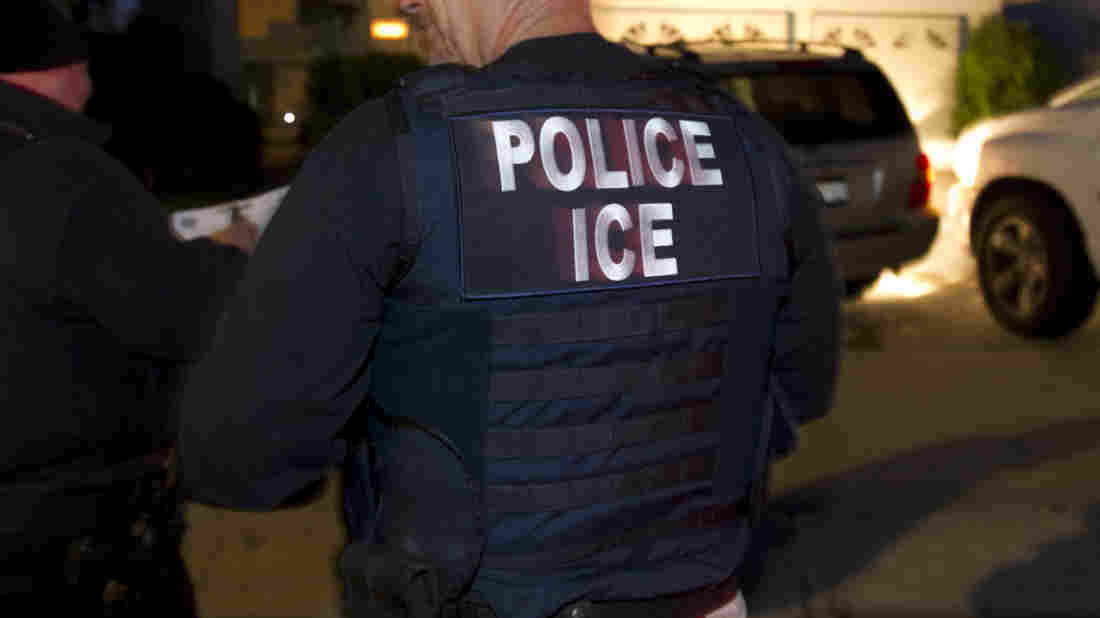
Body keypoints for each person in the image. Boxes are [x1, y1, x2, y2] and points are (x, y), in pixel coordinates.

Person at [177, 0, 842, 617]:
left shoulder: (394, 149)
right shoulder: (746, 142)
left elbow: (245, 457)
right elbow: (800, 390)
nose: (408, 4)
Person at [0, 1, 257, 612]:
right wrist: (233, 255)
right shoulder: (59, 170)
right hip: (63, 546)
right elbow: (186, 314)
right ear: (65, 65)